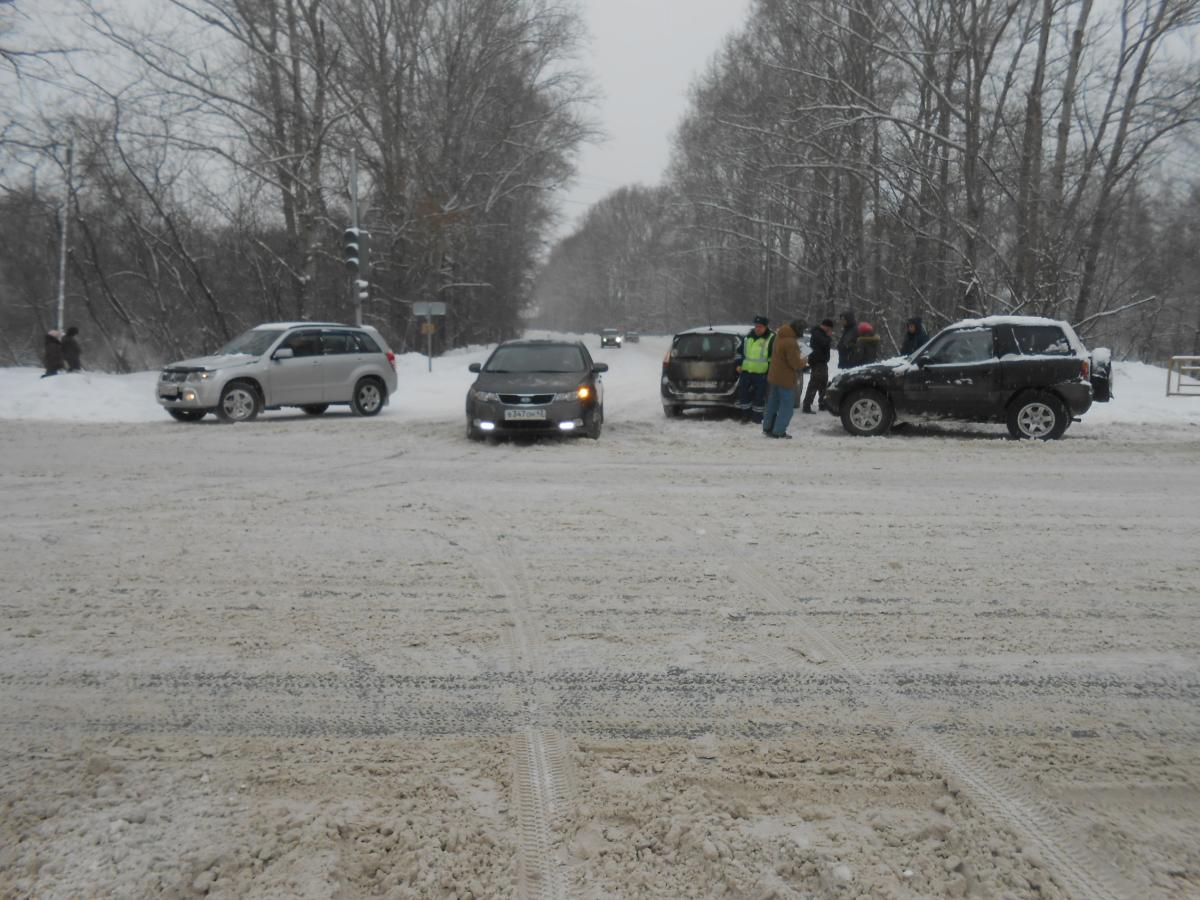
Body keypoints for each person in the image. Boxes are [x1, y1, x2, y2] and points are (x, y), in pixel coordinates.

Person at [762, 319, 808, 439]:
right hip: (786, 379)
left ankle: (767, 428)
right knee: (786, 407)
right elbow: (796, 364)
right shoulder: (790, 342)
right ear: (798, 329)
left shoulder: (779, 336)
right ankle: (779, 431)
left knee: (772, 403)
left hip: (775, 376)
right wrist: (805, 359)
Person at [735, 315, 774, 424]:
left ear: (766, 327)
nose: (758, 328)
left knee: (759, 397)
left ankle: (757, 418)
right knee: (744, 395)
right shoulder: (748, 337)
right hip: (746, 372)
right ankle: (745, 416)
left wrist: (769, 371)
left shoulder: (771, 338)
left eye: (760, 326)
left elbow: (773, 357)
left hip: (761, 373)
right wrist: (738, 364)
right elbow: (739, 353)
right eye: (756, 326)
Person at [802, 319, 834, 413]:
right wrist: (828, 337)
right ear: (827, 327)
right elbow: (824, 343)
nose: (830, 331)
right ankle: (807, 405)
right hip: (818, 362)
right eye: (829, 329)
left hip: (821, 362)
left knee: (823, 383)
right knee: (815, 383)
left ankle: (822, 403)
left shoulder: (819, 333)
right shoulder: (818, 333)